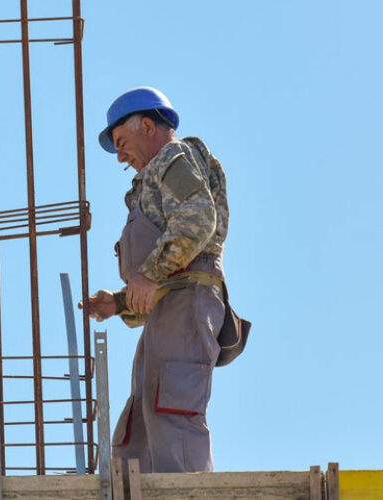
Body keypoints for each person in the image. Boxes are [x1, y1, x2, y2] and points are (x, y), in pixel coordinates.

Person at [84, 87, 231, 473]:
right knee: (142, 428)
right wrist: (119, 302)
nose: (120, 156)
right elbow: (160, 278)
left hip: (186, 305)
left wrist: (147, 275)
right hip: (170, 309)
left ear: (148, 126)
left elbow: (197, 217)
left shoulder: (172, 157)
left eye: (121, 142)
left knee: (172, 416)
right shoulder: (152, 179)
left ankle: (187, 497)